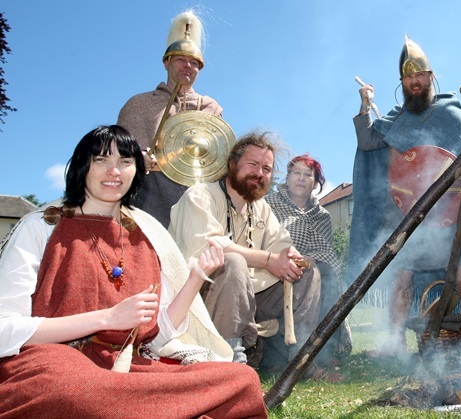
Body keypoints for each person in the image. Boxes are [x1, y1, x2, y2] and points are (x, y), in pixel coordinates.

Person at [0, 125, 267, 418]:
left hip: (129, 365)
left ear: (136, 171)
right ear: (81, 166)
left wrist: (194, 279)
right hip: (55, 361)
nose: (114, 171)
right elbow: (4, 330)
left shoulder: (148, 234)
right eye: (101, 159)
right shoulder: (41, 226)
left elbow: (157, 337)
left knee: (242, 381)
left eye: (125, 162)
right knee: (68, 390)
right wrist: (108, 318)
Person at [348, 36, 461, 356]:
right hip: (409, 216)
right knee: (401, 276)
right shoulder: (395, 117)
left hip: (447, 214)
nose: (414, 81)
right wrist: (366, 106)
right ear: (402, 82)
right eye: (408, 77)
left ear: (431, 77)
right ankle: (395, 343)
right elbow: (367, 143)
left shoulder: (449, 109)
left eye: (420, 75)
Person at [169, 131, 342, 382]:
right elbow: (210, 246)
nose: (259, 173)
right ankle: (233, 364)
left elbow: (281, 243)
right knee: (232, 262)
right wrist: (269, 260)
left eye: (266, 169)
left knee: (306, 273)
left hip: (248, 296)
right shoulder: (200, 195)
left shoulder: (260, 207)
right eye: (252, 164)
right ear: (232, 164)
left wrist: (289, 255)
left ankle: (298, 360)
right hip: (197, 300)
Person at [117, 10, 224, 227]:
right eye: (181, 60)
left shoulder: (210, 108)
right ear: (166, 62)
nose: (188, 66)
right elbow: (116, 154)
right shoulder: (139, 104)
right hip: (146, 200)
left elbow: (220, 162)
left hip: (197, 205)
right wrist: (138, 158)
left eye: (194, 63)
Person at [265, 154, 352, 368]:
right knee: (315, 271)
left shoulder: (322, 216)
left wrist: (311, 259)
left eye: (308, 175)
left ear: (315, 183)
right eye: (296, 173)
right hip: (273, 267)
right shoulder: (269, 204)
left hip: (313, 267)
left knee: (328, 274)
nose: (301, 179)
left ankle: (323, 349)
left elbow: (325, 251)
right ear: (287, 178)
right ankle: (299, 351)